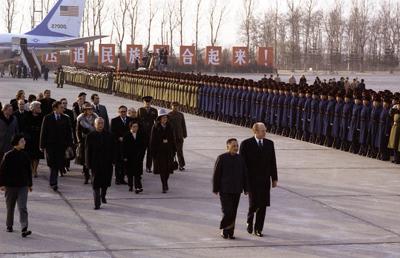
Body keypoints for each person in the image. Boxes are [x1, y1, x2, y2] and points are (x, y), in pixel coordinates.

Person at [239, 122, 278, 237]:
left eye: (265, 130)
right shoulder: (246, 144)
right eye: (263, 131)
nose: (265, 133)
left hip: (265, 179)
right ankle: (249, 221)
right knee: (253, 204)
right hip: (251, 180)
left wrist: (274, 178)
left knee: (263, 205)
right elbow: (242, 164)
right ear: (255, 131)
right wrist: (243, 182)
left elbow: (272, 162)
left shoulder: (269, 144)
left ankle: (259, 228)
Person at [213, 138, 248, 239]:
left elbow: (244, 174)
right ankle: (224, 228)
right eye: (233, 146)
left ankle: (230, 231)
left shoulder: (241, 158)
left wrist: (246, 188)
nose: (236, 148)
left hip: (237, 189)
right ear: (227, 147)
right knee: (227, 211)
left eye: (237, 146)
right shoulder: (222, 158)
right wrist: (215, 188)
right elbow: (216, 174)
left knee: (234, 211)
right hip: (225, 189)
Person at [0, 134, 32, 237]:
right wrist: (2, 184)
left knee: (22, 207)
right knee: (10, 207)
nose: (24, 143)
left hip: (23, 185)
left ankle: (24, 227)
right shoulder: (8, 155)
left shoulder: (25, 155)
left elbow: (29, 171)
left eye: (24, 141)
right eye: (22, 141)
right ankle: (9, 225)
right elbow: (2, 171)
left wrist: (30, 184)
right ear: (16, 143)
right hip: (10, 186)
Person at [40, 101, 73, 191]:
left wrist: (70, 145)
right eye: (61, 107)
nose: (63, 109)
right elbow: (43, 132)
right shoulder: (47, 118)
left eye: (63, 107)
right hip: (50, 145)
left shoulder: (65, 118)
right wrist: (42, 145)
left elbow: (68, 133)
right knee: (52, 164)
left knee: (57, 164)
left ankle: (53, 182)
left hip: (61, 146)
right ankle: (53, 182)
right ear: (55, 108)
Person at [85, 118, 115, 210]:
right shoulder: (90, 136)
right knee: (96, 184)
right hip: (95, 164)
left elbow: (114, 149)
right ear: (95, 124)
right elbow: (87, 151)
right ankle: (97, 203)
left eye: (102, 123)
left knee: (105, 183)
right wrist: (88, 164)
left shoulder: (109, 135)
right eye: (99, 123)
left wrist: (114, 160)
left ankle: (103, 195)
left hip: (107, 163)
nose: (101, 125)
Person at [150, 109, 177, 193]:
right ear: (159, 118)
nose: (165, 119)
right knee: (162, 169)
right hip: (159, 152)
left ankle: (166, 181)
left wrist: (174, 149)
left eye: (166, 117)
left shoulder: (170, 126)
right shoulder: (155, 127)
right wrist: (153, 152)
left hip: (169, 151)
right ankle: (164, 184)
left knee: (168, 169)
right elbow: (152, 140)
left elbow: (173, 138)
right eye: (163, 118)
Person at [76, 103, 98, 184]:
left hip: (94, 140)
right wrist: (79, 140)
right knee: (85, 159)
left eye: (91, 109)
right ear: (84, 110)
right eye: (88, 109)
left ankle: (93, 176)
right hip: (84, 140)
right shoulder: (81, 118)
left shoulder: (96, 117)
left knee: (93, 159)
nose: (90, 110)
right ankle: (86, 176)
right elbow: (77, 130)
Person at [123, 120, 146, 193]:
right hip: (129, 158)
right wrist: (124, 157)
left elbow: (143, 146)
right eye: (134, 127)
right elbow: (123, 147)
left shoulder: (141, 135)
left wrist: (142, 155)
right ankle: (130, 185)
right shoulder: (126, 135)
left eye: (137, 127)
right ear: (130, 127)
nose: (135, 128)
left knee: (137, 174)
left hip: (138, 157)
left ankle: (138, 187)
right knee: (130, 174)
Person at [111, 105, 132, 185]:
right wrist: (118, 138)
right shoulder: (114, 120)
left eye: (124, 111)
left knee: (124, 163)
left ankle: (122, 178)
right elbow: (113, 132)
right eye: (121, 111)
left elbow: (131, 131)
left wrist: (126, 138)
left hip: (126, 145)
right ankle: (117, 178)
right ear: (119, 112)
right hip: (118, 144)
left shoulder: (130, 120)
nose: (123, 113)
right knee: (118, 163)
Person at [22, 101, 43, 178]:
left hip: (38, 138)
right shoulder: (27, 115)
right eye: (38, 107)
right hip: (29, 138)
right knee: (30, 156)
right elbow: (24, 127)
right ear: (33, 108)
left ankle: (35, 170)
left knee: (37, 156)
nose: (39, 109)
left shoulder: (42, 116)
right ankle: (31, 169)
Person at [137, 96, 158, 173]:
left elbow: (157, 122)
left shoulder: (154, 110)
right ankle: (139, 167)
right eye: (146, 102)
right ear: (144, 102)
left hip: (151, 134)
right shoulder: (140, 110)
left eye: (149, 102)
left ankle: (148, 167)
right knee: (141, 152)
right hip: (142, 134)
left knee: (150, 152)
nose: (148, 104)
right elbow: (137, 122)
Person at [168, 101, 188, 171]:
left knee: (180, 152)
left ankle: (181, 165)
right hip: (172, 137)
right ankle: (170, 165)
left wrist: (184, 134)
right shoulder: (169, 115)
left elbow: (183, 125)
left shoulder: (181, 115)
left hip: (179, 136)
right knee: (171, 152)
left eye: (176, 106)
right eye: (174, 106)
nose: (175, 107)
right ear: (171, 106)